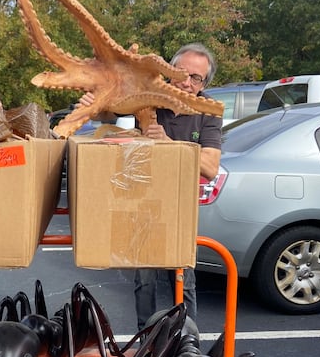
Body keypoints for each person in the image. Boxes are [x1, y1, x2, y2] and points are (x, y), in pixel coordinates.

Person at [77, 43, 222, 331]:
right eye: (181, 73)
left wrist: (169, 144)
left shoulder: (209, 111)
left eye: (196, 78)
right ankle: (145, 339)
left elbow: (210, 167)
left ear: (204, 84)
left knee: (183, 278)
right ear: (169, 71)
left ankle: (186, 340)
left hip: (179, 207)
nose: (187, 82)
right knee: (144, 279)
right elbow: (109, 111)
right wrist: (93, 104)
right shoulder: (149, 94)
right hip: (142, 202)